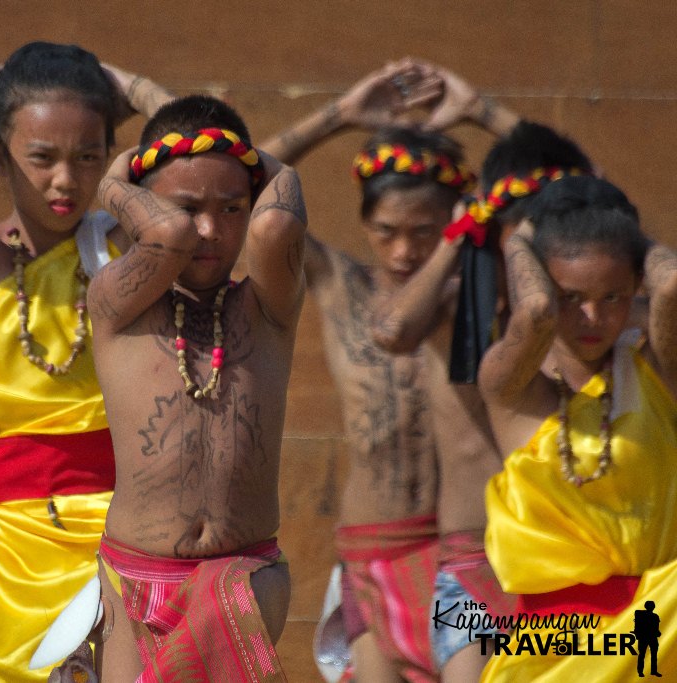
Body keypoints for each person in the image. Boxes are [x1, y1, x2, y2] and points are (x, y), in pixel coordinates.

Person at [0, 41, 172, 681]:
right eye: (41, 157)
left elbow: (205, 149)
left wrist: (133, 84)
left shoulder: (129, 252)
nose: (66, 179)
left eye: (88, 157)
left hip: (113, 537)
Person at [258, 60, 511, 682]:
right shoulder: (342, 283)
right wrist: (339, 116)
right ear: (366, 226)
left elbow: (579, 195)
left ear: (457, 218)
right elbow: (243, 199)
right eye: (387, 232)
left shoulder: (489, 297)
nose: (404, 251)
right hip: (369, 552)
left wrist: (481, 109)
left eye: (424, 232)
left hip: (467, 548)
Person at [371, 117, 604, 681]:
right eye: (520, 238)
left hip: (564, 564)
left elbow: (607, 207)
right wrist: (462, 234)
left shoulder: (589, 320)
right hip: (471, 559)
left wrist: (481, 107)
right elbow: (394, 330)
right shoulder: (460, 309)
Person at [88, 93, 306, 682]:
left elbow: (279, 221)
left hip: (241, 576)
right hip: (132, 577)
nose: (208, 230)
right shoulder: (116, 303)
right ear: (141, 205)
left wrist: (247, 157)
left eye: (233, 208)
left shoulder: (268, 307)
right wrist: (115, 181)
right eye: (188, 206)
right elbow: (168, 235)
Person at [478, 176, 677, 680]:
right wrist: (522, 238)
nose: (593, 316)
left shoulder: (658, 373)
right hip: (550, 651)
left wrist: (630, 236)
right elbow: (536, 310)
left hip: (659, 637)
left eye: (613, 297)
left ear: (635, 288)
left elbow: (672, 284)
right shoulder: (513, 388)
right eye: (573, 296)